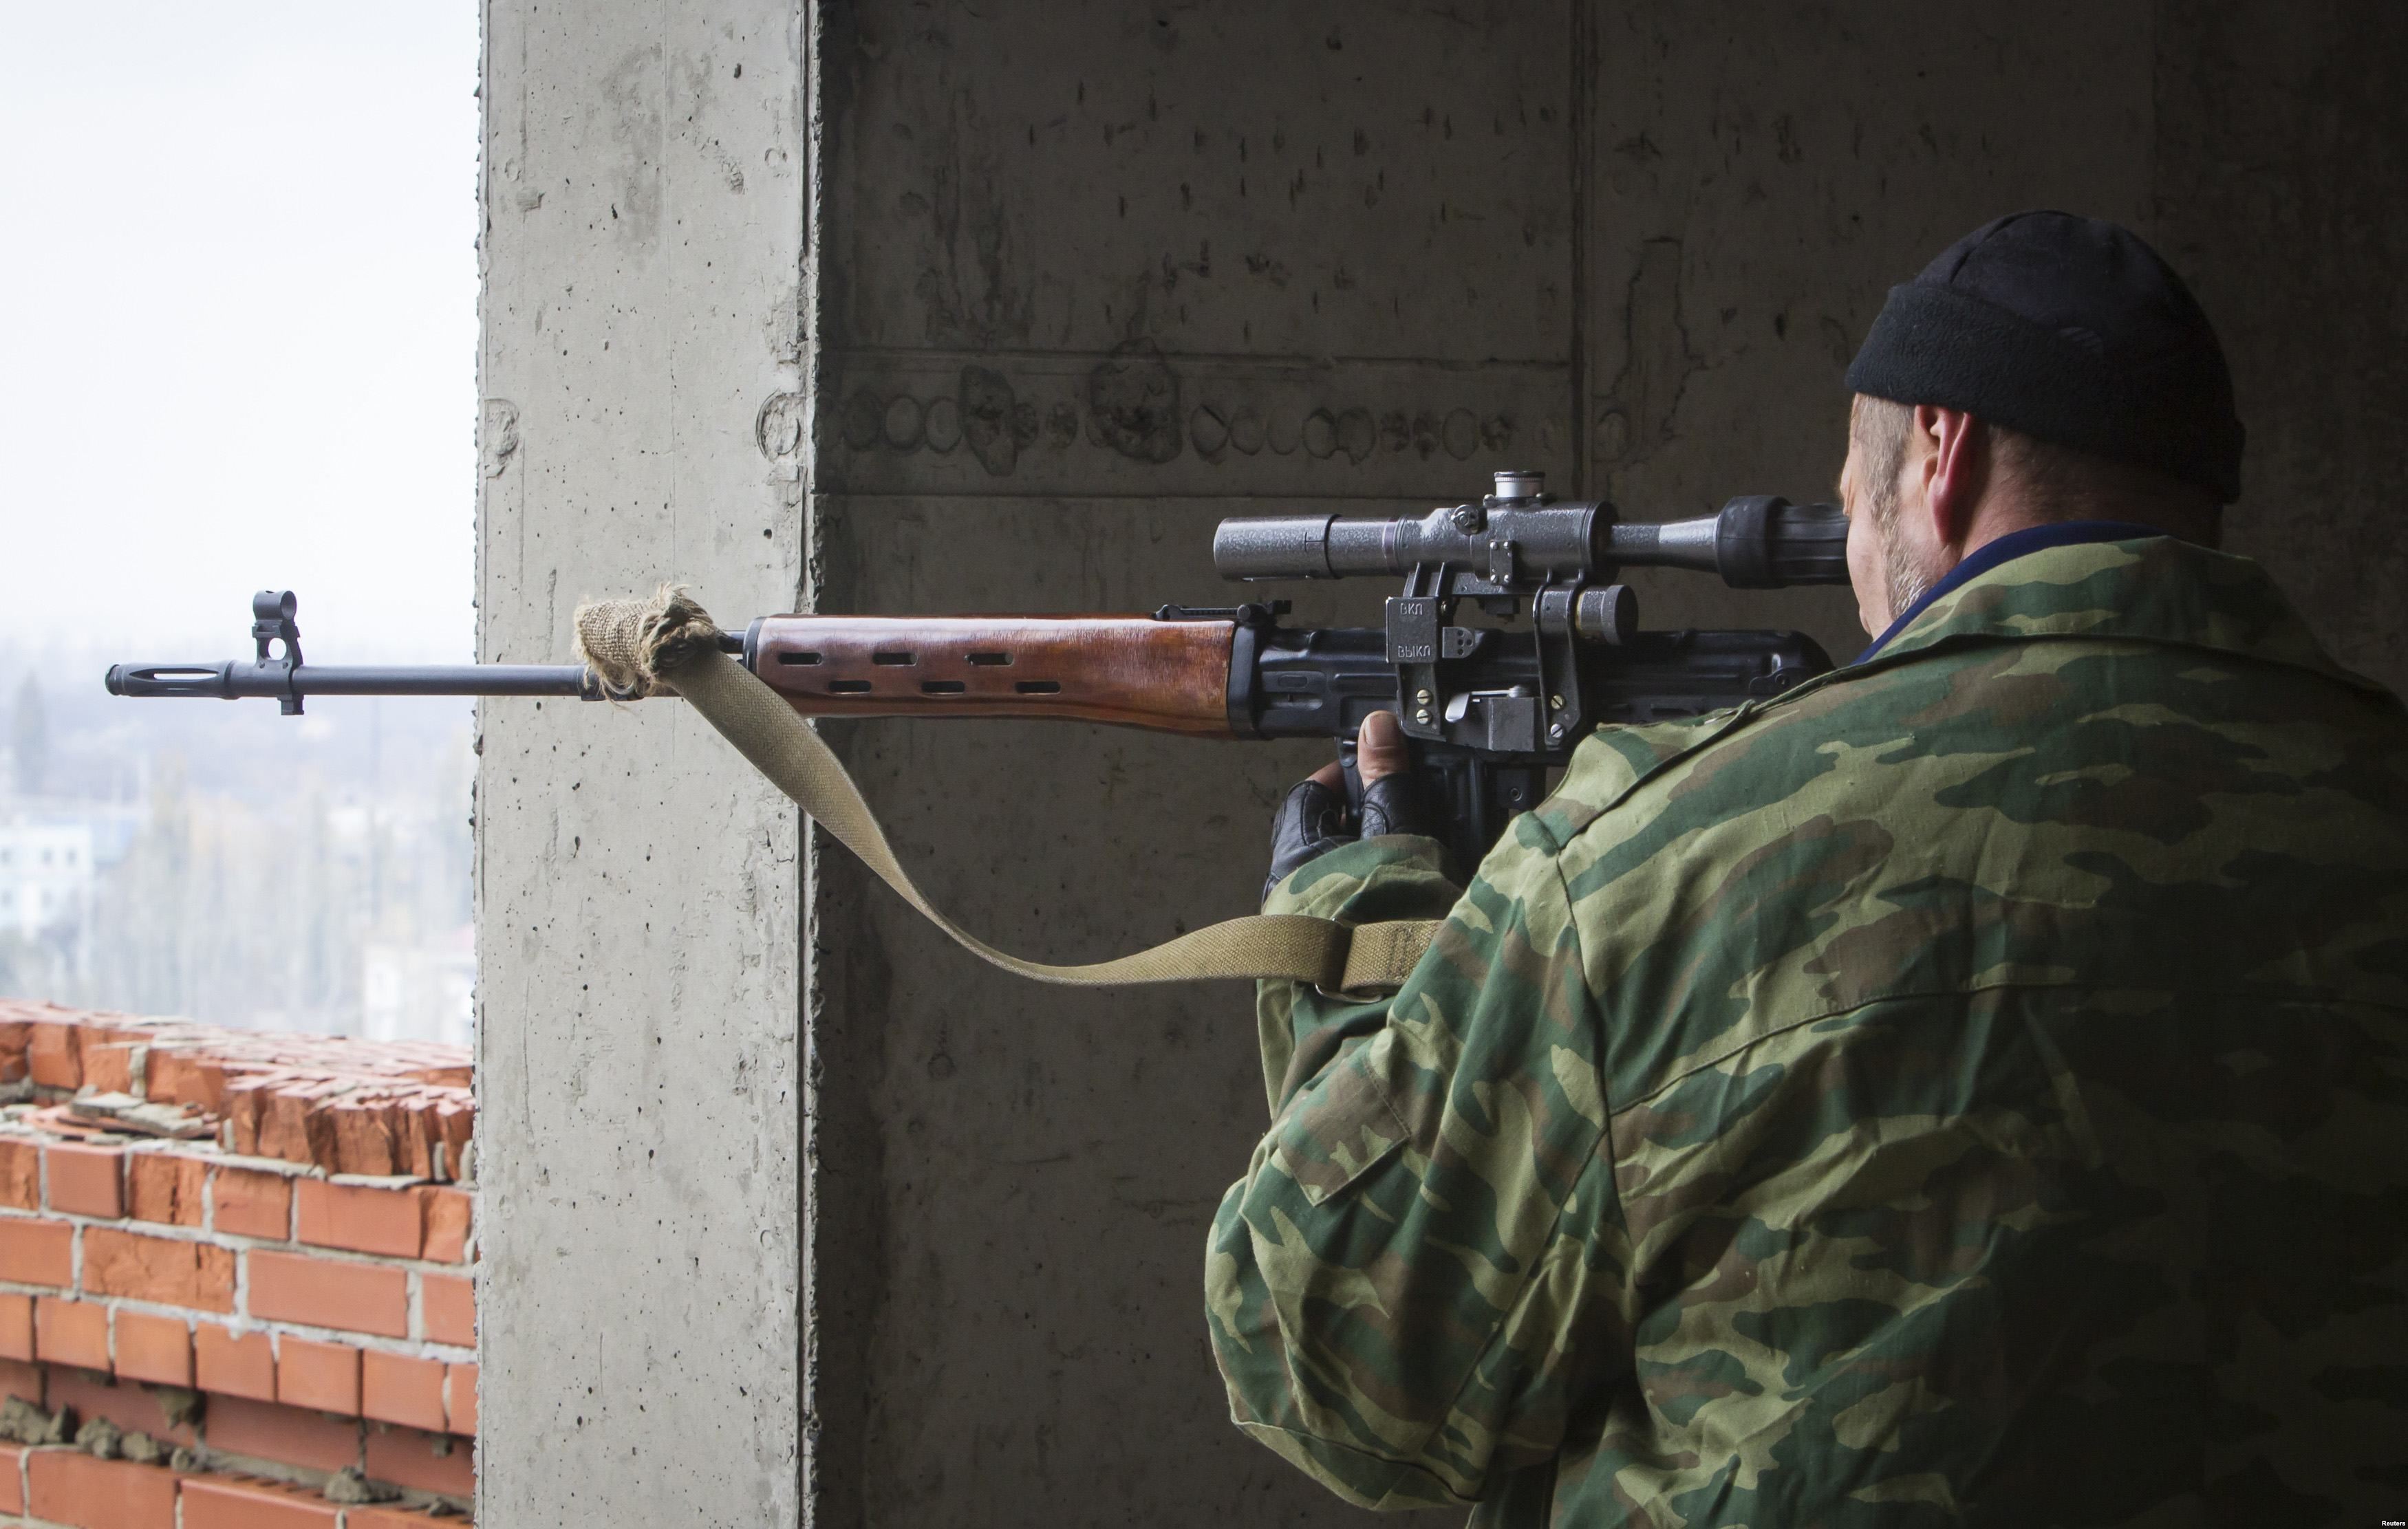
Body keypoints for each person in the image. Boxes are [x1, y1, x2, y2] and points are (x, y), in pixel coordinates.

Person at [1207, 212, 2408, 1525]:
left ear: (1940, 456)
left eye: (1850, 501)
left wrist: (1345, 929)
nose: (1848, 562)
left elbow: (1336, 1352)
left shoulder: (1648, 861)